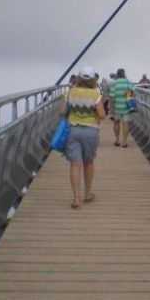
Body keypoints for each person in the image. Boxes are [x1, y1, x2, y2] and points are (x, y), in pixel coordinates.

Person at [59, 66, 105, 209]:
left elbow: (61, 112)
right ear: (93, 80)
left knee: (75, 164)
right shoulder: (95, 94)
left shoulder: (70, 92)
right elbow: (102, 114)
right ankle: (88, 194)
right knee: (88, 162)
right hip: (91, 131)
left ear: (78, 78)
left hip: (72, 130)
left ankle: (76, 199)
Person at [108, 68, 134, 148]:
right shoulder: (129, 82)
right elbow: (134, 92)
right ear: (124, 74)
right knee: (125, 123)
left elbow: (112, 97)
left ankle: (117, 140)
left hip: (117, 107)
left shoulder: (113, 83)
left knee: (116, 122)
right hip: (127, 107)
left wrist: (111, 108)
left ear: (117, 74)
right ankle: (124, 142)